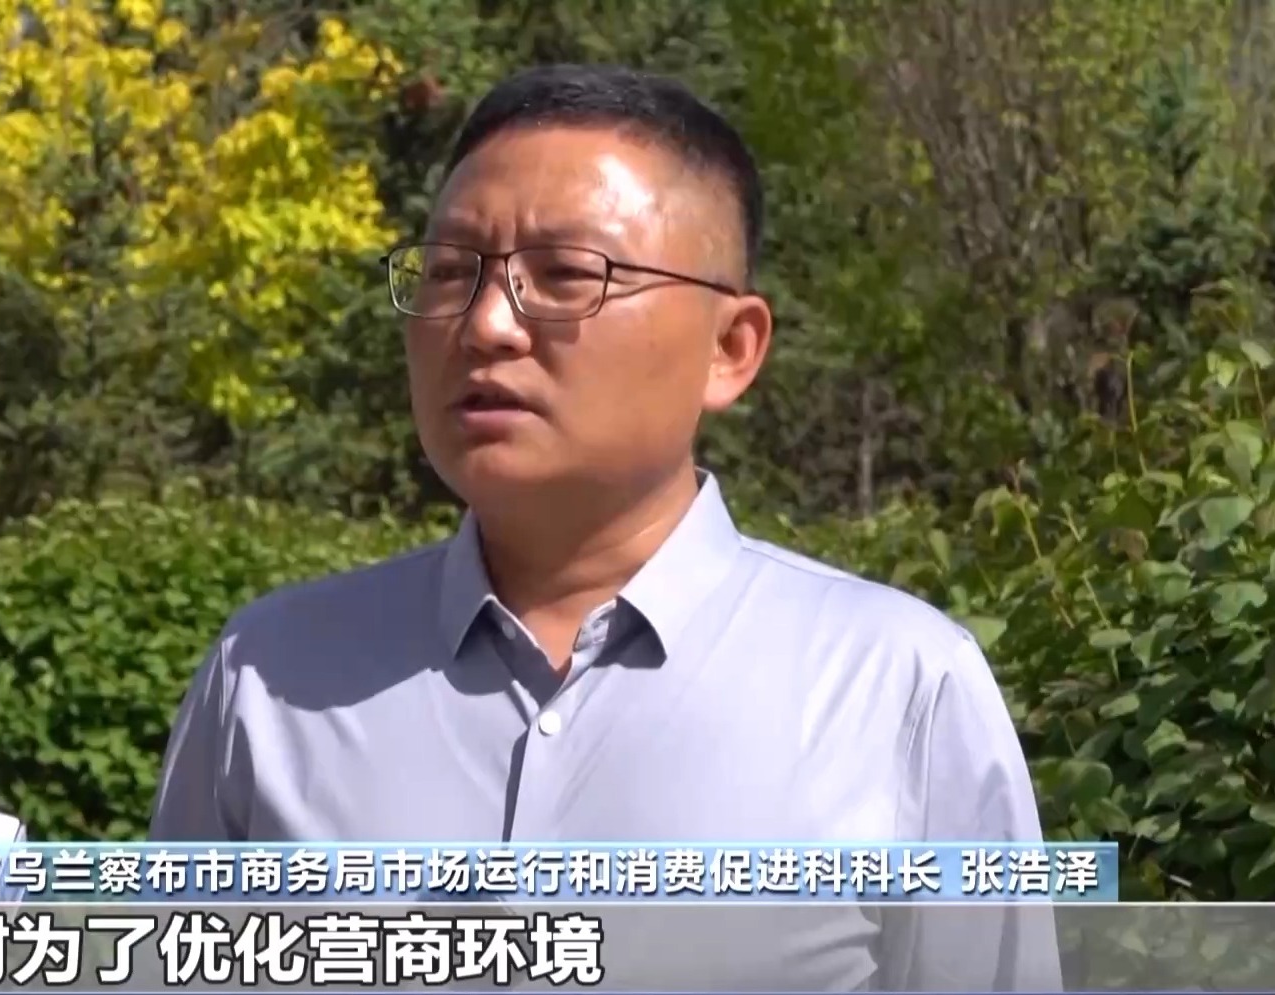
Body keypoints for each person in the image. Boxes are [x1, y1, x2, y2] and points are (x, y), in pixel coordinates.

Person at [149, 64, 1060, 991]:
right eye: (451, 272)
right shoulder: (272, 676)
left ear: (730, 348)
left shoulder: (895, 688)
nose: (487, 325)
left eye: (566, 276)